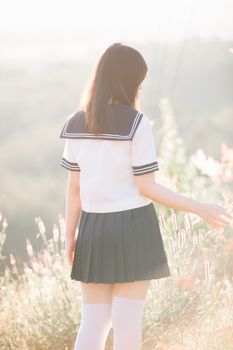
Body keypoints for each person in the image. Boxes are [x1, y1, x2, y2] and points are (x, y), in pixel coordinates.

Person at [59, 42, 232, 350]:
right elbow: (147, 187)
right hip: (132, 228)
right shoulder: (137, 124)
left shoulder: (76, 123)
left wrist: (70, 235)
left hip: (92, 229)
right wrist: (199, 208)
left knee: (94, 322)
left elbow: (74, 188)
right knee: (127, 321)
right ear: (129, 81)